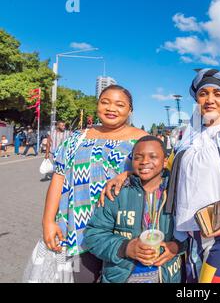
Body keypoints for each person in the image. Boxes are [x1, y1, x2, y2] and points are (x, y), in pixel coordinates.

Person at [102, 68, 220, 283]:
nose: (209, 100)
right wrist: (127, 174)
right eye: (203, 93)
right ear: (196, 98)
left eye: (217, 94)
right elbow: (165, 173)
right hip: (189, 235)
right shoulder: (183, 134)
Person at [40, 85, 147, 283]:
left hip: (122, 231)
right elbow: (59, 177)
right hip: (78, 231)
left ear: (130, 110)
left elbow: (158, 174)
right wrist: (48, 221)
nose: (111, 108)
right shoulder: (77, 138)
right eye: (105, 102)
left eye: (119, 104)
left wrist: (129, 173)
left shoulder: (142, 139)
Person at [85, 136, 185, 283]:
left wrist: (177, 246)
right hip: (122, 276)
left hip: (167, 275)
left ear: (165, 161)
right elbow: (93, 235)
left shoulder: (178, 192)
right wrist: (125, 247)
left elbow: (192, 232)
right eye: (138, 157)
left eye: (153, 156)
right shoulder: (117, 193)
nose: (145, 161)